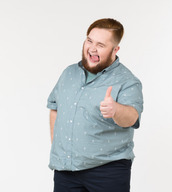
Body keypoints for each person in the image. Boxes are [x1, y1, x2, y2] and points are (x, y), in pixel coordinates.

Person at [47, 18, 143, 192]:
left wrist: (116, 110)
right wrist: (58, 146)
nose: (92, 48)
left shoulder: (127, 81)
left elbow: (131, 117)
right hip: (66, 170)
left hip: (107, 171)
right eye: (89, 40)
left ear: (115, 50)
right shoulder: (69, 73)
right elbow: (55, 108)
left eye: (100, 45)